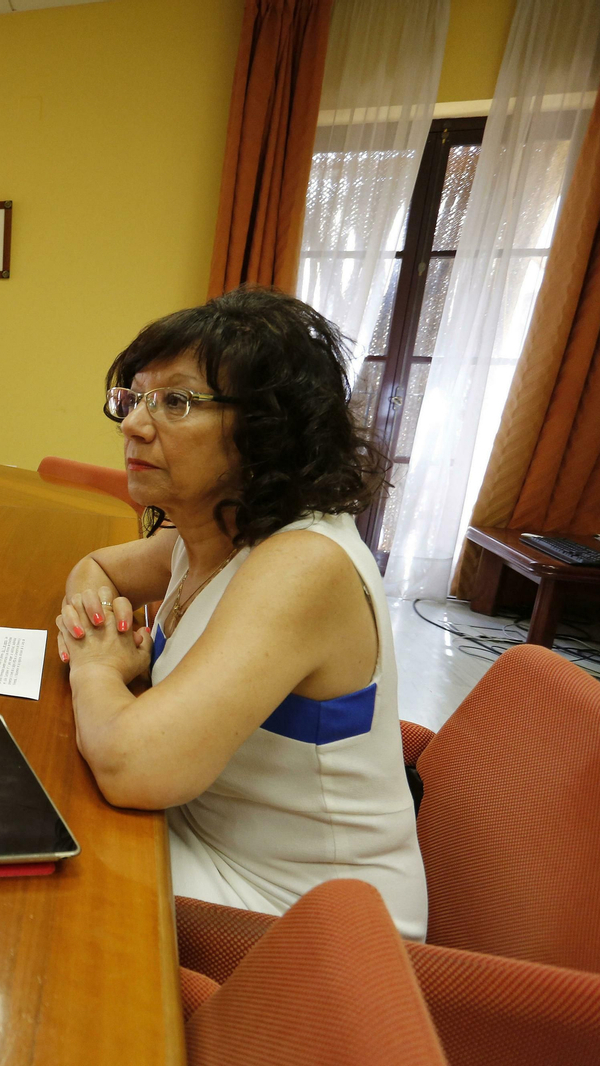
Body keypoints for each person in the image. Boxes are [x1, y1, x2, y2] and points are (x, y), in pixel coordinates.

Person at [56, 287, 427, 940]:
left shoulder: (303, 563)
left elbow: (131, 766)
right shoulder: (209, 532)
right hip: (198, 832)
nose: (135, 425)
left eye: (175, 401)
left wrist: (96, 665)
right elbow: (99, 567)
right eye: (134, 398)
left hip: (311, 922)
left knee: (29, 871)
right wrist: (99, 617)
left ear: (266, 427)